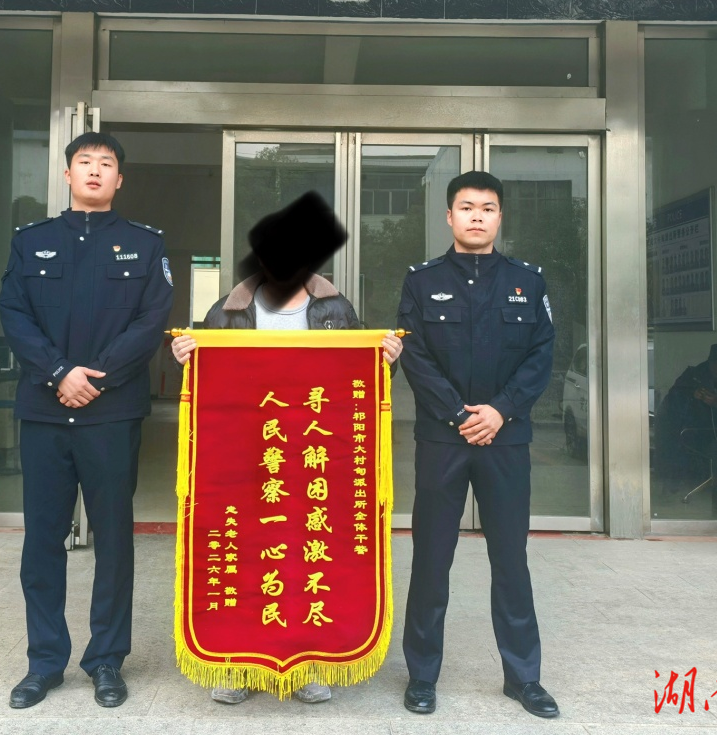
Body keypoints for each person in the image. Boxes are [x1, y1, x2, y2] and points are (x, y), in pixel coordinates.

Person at [171, 191, 402, 705]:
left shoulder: (336, 309)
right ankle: (237, 664)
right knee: (245, 555)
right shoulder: (226, 311)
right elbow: (206, 381)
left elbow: (361, 383)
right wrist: (187, 355)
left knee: (309, 556)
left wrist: (387, 359)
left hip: (315, 457)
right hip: (245, 458)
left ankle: (310, 662)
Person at [0, 132, 173, 710]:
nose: (95, 170)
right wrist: (58, 373)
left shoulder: (145, 244)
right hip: (45, 412)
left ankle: (106, 660)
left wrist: (96, 377)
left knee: (114, 542)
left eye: (106, 164)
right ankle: (44, 662)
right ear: (68, 174)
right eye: (85, 162)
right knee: (42, 542)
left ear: (120, 179)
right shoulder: (32, 241)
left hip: (111, 413)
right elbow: (14, 313)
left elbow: (151, 321)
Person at [396, 170, 559, 719]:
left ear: (499, 217)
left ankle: (524, 677)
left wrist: (500, 410)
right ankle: (422, 675)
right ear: (449, 216)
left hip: (505, 439)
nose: (477, 216)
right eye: (467, 207)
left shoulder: (527, 281)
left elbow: (540, 355)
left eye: (487, 208)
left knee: (511, 559)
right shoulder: (421, 281)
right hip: (442, 440)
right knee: (431, 559)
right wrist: (459, 414)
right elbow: (415, 356)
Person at [654, 344, 717, 502]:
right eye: (714, 363)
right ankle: (669, 483)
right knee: (666, 433)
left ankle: (685, 484)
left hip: (712, 434)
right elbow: (671, 400)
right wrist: (692, 395)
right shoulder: (694, 375)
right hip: (680, 427)